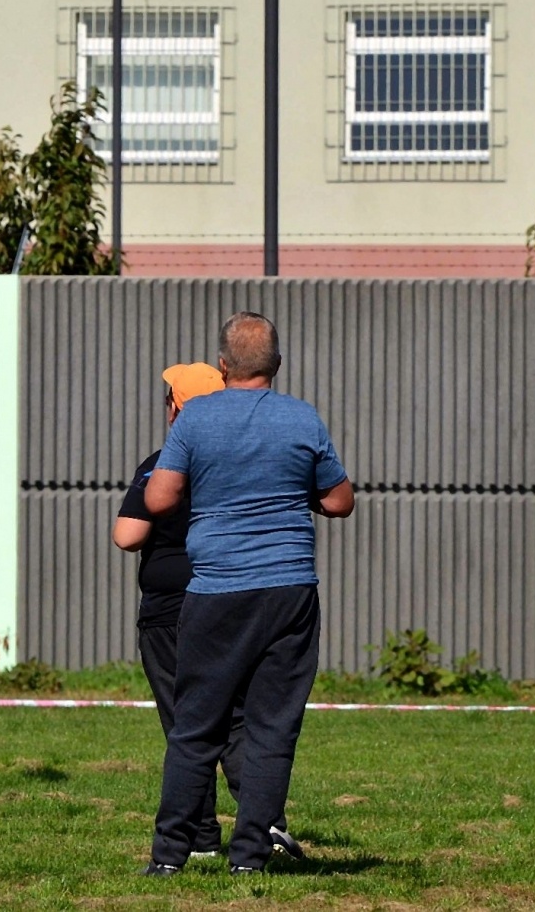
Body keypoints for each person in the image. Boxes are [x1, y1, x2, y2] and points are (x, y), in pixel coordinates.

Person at [140, 312, 355, 877]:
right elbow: (338, 502)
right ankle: (250, 861)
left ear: (222, 366)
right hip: (288, 590)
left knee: (195, 726)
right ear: (277, 366)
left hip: (215, 591)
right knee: (270, 728)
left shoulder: (197, 419)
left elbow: (159, 500)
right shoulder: (302, 417)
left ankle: (167, 859)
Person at [112, 362, 299, 859]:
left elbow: (126, 536)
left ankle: (197, 838)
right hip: (240, 597)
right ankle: (265, 823)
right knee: (238, 719)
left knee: (187, 724)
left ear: (176, 407)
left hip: (171, 610)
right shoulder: (248, 459)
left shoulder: (162, 462)